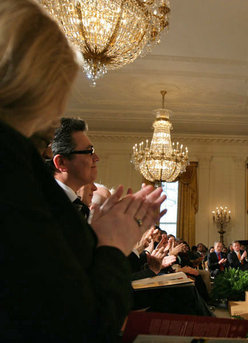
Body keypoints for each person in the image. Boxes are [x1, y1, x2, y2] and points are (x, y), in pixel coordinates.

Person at [0, 0, 165, 340]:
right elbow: (80, 325)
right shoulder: (11, 169)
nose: (96, 159)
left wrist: (96, 234)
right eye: (88, 152)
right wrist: (114, 244)